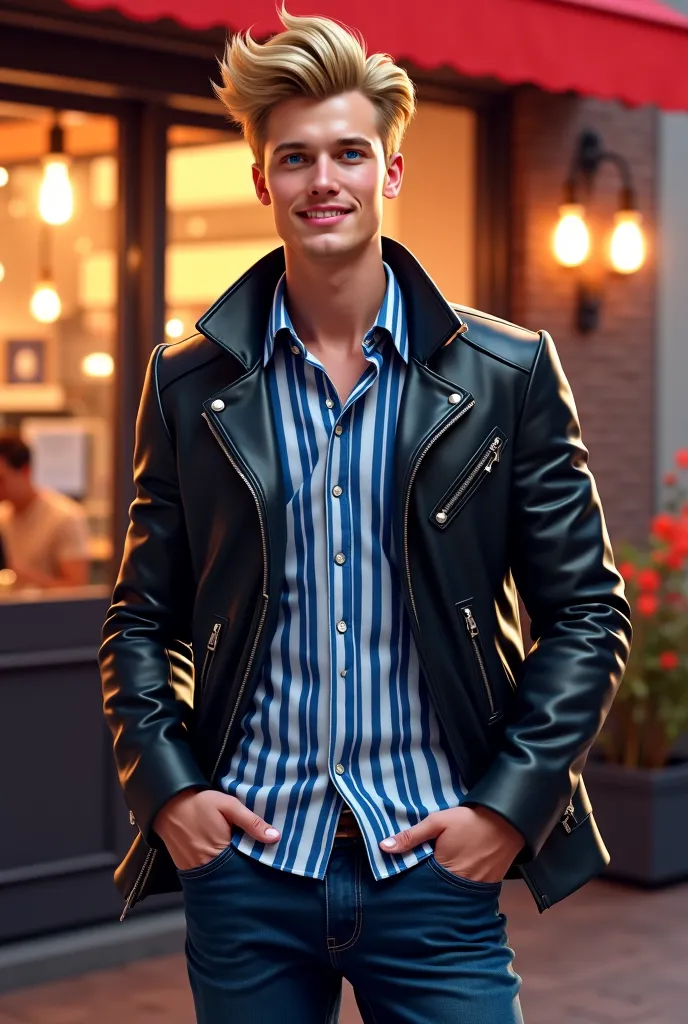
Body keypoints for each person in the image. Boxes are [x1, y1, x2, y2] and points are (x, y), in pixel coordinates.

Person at [100, 9, 632, 1023]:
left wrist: (505, 810)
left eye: (349, 151)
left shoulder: (505, 373)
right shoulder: (187, 386)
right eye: (294, 158)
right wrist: (167, 790)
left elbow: (585, 614)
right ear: (262, 180)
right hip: (250, 871)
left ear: (391, 169)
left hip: (434, 868)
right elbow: (140, 619)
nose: (322, 180)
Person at [0, 431, 89, 589]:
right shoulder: (3, 516)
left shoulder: (65, 517)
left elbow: (76, 590)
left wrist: (15, 573)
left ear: (25, 471)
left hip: (47, 613)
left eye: (1, 479)